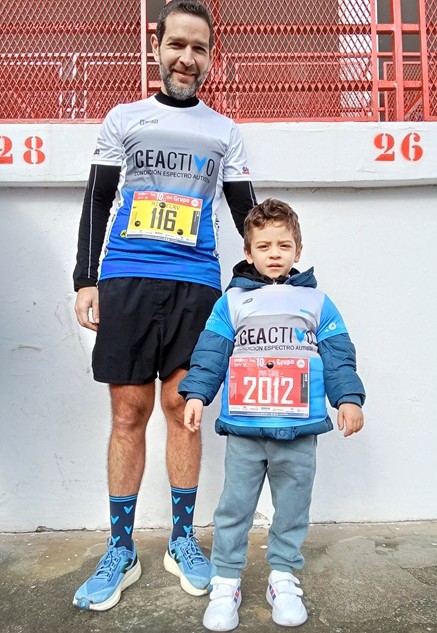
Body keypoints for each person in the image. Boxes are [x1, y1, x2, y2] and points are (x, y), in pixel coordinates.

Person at [72, 0, 256, 612]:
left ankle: (182, 540)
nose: (186, 57)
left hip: (195, 284)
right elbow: (97, 200)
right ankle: (120, 549)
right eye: (177, 44)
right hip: (126, 278)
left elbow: (244, 209)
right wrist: (86, 279)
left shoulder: (223, 131)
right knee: (128, 414)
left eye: (198, 48)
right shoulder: (123, 118)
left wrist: (262, 279)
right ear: (157, 47)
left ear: (210, 57)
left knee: (184, 411)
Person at [179, 199, 365, 631]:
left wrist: (348, 398)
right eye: (264, 246)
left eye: (284, 245)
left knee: (293, 509)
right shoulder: (231, 303)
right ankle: (226, 581)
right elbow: (211, 353)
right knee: (234, 509)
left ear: (298, 250)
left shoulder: (317, 302)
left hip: (299, 431)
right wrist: (196, 394)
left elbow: (338, 356)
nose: (275, 253)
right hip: (245, 430)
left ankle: (282, 577)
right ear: (248, 252)